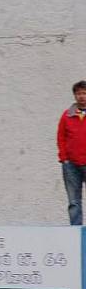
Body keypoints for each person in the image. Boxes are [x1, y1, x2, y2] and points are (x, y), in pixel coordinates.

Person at [57, 80, 86, 225]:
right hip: (71, 165)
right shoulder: (67, 115)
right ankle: (76, 232)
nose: (82, 96)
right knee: (74, 202)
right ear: (75, 95)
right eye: (79, 93)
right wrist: (64, 158)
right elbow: (61, 137)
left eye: (84, 93)